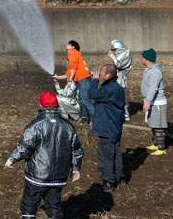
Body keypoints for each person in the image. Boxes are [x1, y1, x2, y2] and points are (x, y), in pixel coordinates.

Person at [6, 92, 84, 219]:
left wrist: (12, 159)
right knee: (54, 207)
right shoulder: (68, 126)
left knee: (29, 205)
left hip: (37, 176)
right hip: (59, 177)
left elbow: (24, 146)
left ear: (41, 105)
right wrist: (76, 168)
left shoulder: (36, 125)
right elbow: (77, 150)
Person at [89, 64, 125, 192]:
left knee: (105, 156)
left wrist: (95, 80)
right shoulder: (119, 88)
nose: (99, 73)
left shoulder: (109, 90)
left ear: (108, 75)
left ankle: (108, 183)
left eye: (102, 72)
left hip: (107, 129)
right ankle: (118, 179)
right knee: (116, 154)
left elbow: (93, 94)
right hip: (115, 128)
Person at [53, 40, 94, 124]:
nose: (66, 45)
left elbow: (73, 69)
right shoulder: (73, 58)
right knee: (80, 99)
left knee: (85, 99)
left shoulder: (72, 52)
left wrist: (70, 80)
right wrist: (57, 77)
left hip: (84, 79)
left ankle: (94, 119)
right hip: (82, 80)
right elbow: (67, 74)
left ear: (73, 46)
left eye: (68, 44)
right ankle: (84, 117)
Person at [140, 48, 167, 155]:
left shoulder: (155, 72)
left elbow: (153, 88)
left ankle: (161, 148)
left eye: (142, 57)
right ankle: (156, 144)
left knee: (159, 125)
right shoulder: (149, 70)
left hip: (158, 103)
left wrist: (147, 101)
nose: (141, 59)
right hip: (152, 102)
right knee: (153, 124)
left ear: (146, 59)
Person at [107, 40, 133, 122]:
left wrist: (111, 55)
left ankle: (124, 115)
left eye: (115, 50)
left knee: (118, 99)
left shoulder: (126, 56)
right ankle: (123, 115)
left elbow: (118, 64)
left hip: (121, 81)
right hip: (118, 79)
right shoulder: (125, 54)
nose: (114, 52)